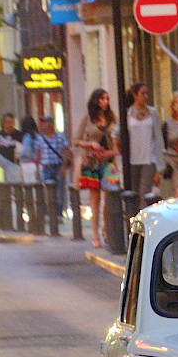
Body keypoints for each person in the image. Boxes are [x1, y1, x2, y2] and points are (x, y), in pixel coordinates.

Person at [74, 88, 118, 249]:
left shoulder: (112, 118)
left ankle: (106, 228)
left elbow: (117, 139)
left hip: (109, 161)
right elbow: (76, 140)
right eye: (102, 99)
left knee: (109, 197)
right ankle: (95, 234)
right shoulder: (88, 118)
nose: (105, 102)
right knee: (95, 200)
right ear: (95, 101)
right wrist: (90, 144)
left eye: (107, 98)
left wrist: (112, 151)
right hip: (93, 162)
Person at [125, 82, 165, 207]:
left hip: (149, 159)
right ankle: (134, 220)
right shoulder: (128, 113)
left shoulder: (153, 113)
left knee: (144, 193)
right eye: (143, 93)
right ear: (135, 95)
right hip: (132, 159)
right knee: (134, 193)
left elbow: (158, 137)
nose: (146, 96)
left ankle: (142, 223)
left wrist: (160, 165)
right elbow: (118, 132)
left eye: (147, 93)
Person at [36, 115, 71, 216]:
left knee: (60, 191)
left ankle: (59, 214)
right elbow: (38, 154)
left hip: (58, 167)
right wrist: (37, 170)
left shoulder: (60, 137)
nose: (43, 125)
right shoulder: (40, 138)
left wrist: (64, 167)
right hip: (46, 168)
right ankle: (49, 213)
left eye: (46, 123)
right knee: (47, 191)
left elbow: (66, 152)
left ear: (51, 124)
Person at [0, 113, 22, 182]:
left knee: (11, 182)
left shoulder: (18, 134)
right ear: (4, 123)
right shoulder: (0, 133)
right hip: (2, 159)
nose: (11, 125)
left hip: (12, 162)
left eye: (12, 123)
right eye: (8, 123)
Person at [19, 116, 40, 182]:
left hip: (28, 163)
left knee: (29, 187)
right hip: (38, 164)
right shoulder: (38, 136)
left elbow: (26, 151)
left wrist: (19, 156)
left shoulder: (27, 136)